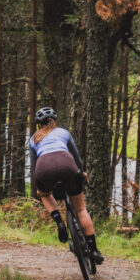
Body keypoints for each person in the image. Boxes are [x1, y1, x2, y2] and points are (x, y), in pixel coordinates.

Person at [29, 106, 104, 264]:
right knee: (81, 209)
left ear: (38, 125)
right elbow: (76, 156)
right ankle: (94, 251)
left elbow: (34, 165)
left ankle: (59, 222)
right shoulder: (63, 132)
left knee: (45, 194)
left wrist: (41, 185)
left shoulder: (33, 139)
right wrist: (81, 172)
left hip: (44, 168)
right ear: (54, 122)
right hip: (67, 164)